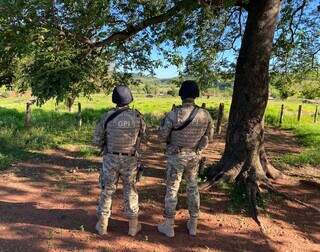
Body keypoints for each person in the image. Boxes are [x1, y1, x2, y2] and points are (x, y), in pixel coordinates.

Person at [157, 80, 214, 237]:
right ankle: (193, 224)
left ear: (181, 94)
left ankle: (169, 225)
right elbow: (209, 137)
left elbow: (162, 137)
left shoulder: (174, 114)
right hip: (194, 157)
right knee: (193, 188)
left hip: (176, 156)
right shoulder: (205, 114)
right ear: (196, 94)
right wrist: (199, 149)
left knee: (172, 189)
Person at [93, 85, 146, 236]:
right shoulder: (137, 117)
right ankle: (133, 227)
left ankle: (102, 226)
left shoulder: (107, 116)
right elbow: (143, 138)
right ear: (129, 98)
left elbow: (97, 140)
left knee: (107, 191)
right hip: (130, 159)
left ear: (115, 99)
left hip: (110, 158)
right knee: (131, 191)